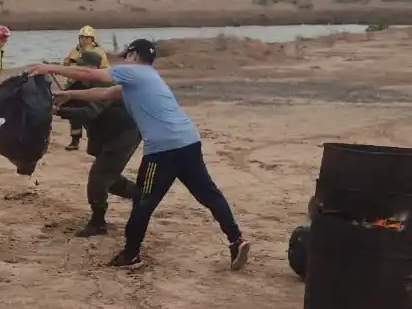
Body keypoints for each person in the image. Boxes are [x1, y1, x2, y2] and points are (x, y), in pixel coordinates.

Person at [28, 38, 250, 270]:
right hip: (189, 141)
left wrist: (48, 68)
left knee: (143, 201)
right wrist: (71, 96)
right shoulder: (148, 78)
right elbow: (105, 94)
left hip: (163, 150)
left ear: (133, 55)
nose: (124, 59)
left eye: (126, 55)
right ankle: (237, 240)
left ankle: (131, 254)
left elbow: (89, 73)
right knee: (208, 194)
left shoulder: (134, 71)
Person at [55, 49, 139, 237]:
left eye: (83, 65)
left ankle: (98, 223)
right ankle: (141, 196)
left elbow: (89, 113)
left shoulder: (104, 83)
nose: (79, 68)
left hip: (124, 135)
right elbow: (71, 102)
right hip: (107, 135)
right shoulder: (79, 84)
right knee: (109, 177)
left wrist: (58, 112)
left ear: (94, 68)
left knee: (98, 178)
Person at [60, 26, 110, 151]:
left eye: (86, 38)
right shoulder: (74, 51)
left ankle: (96, 140)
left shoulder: (99, 52)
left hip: (90, 85)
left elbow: (105, 69)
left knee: (91, 114)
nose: (83, 40)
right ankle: (75, 140)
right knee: (74, 115)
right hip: (74, 84)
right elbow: (65, 64)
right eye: (81, 37)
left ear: (92, 39)